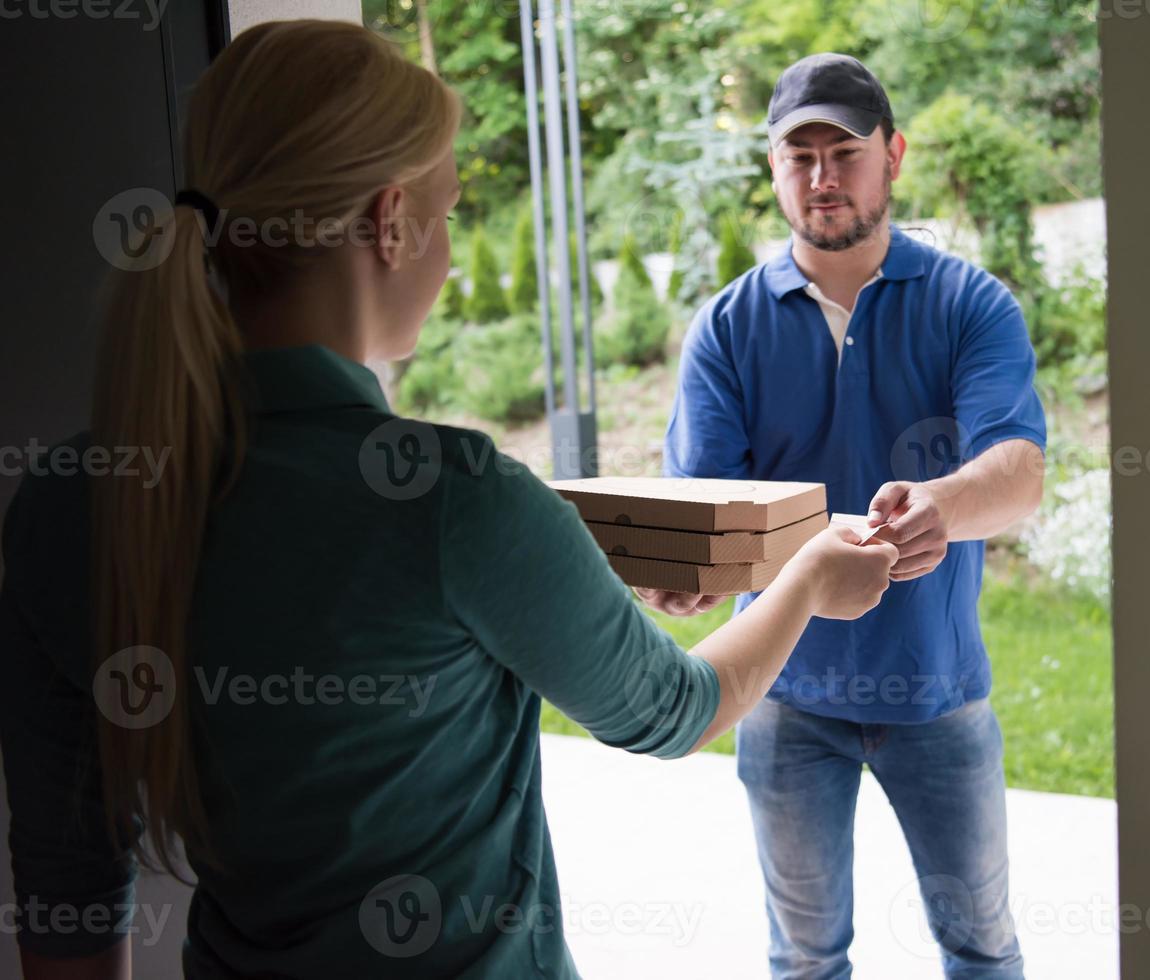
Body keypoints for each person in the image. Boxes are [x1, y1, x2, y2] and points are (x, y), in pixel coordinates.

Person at [0, 22, 901, 980]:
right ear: (391, 223)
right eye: (451, 213)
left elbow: (69, 882)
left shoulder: (67, 505)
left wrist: (572, 571)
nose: (448, 249)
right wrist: (806, 583)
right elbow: (675, 712)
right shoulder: (456, 501)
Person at [637, 53, 1047, 980]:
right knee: (806, 959)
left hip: (937, 692)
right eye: (798, 155)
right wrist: (688, 578)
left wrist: (942, 502)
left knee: (982, 949)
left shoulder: (968, 304)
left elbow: (1018, 472)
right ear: (772, 168)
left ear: (892, 155)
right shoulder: (728, 327)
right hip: (783, 698)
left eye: (845, 151)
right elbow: (709, 512)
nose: (821, 177)